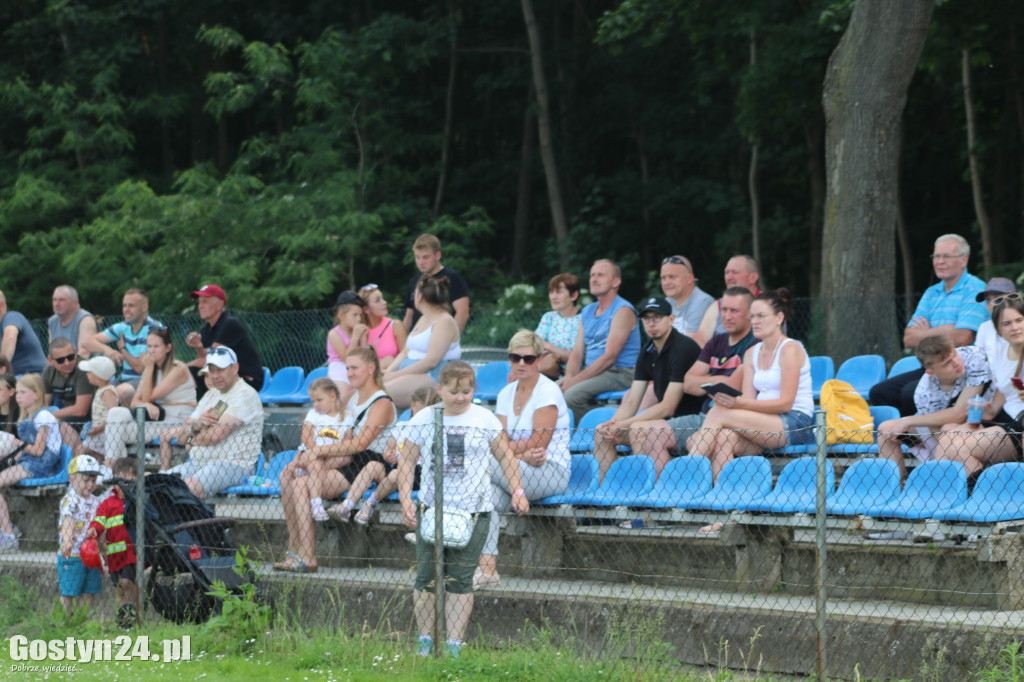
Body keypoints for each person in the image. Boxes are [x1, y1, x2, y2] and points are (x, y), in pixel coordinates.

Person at [398, 361, 529, 658]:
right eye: (454, 392)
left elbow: (505, 456)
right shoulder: (423, 419)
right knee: (426, 575)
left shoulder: (484, 419)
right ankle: (425, 639)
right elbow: (406, 460)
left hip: (475, 511)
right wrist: (406, 499)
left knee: (461, 577)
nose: (460, 397)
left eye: (467, 391)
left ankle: (454, 642)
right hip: (432, 509)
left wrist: (518, 490)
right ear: (440, 389)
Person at [687, 289, 813, 532]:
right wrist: (732, 401)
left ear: (779, 318)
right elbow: (745, 398)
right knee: (723, 437)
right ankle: (724, 512)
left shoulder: (790, 348)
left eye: (761, 316)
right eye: (753, 316)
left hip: (795, 422)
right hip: (763, 422)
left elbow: (786, 403)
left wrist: (735, 405)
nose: (755, 321)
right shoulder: (751, 353)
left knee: (719, 413)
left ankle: (687, 475)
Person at [275, 348, 395, 573]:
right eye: (347, 368)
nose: (349, 372)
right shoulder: (350, 397)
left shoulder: (382, 403)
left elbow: (360, 444)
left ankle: (307, 556)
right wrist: (306, 455)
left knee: (301, 484)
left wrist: (316, 453)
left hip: (366, 463)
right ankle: (295, 549)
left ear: (371, 369)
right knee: (287, 477)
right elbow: (324, 430)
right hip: (343, 458)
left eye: (354, 367)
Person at [475, 331, 570, 589]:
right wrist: (518, 453)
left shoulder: (548, 392)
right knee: (486, 496)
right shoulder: (506, 393)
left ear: (539, 360)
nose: (521, 364)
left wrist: (509, 451)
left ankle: (438, 519)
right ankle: (488, 569)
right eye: (515, 357)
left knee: (480, 463)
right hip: (517, 468)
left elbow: (538, 444)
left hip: (550, 470)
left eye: (528, 358)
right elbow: (499, 441)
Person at [630, 287, 758, 473]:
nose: (727, 316)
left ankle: (692, 493)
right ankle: (665, 496)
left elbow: (737, 387)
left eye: (734, 311)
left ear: (749, 314)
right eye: (724, 310)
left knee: (698, 442)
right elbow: (689, 383)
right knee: (654, 434)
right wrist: (721, 379)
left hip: (733, 419)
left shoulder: (755, 345)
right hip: (705, 415)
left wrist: (706, 381)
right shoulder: (716, 342)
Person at [869, 234, 988, 416]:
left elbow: (963, 338)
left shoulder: (976, 289)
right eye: (936, 256)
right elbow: (909, 338)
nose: (939, 262)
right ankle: (912, 441)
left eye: (946, 256)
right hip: (931, 367)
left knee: (910, 393)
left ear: (964, 260)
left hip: (960, 368)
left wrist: (926, 334)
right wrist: (948, 329)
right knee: (879, 393)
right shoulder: (932, 293)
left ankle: (928, 440)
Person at [590, 298, 704, 480]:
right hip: (661, 423)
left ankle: (648, 495)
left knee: (637, 429)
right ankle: (606, 493)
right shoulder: (647, 350)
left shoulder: (684, 348)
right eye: (646, 318)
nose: (651, 323)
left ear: (671, 319)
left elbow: (668, 406)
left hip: (688, 421)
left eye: (657, 317)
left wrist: (625, 424)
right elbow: (633, 401)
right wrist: (613, 423)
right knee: (601, 434)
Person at [930, 298, 1024, 480]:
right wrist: (992, 409)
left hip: (1020, 425)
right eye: (1006, 323)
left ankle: (984, 499)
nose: (1014, 327)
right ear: (998, 329)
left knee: (960, 448)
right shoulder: (999, 352)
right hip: (1008, 418)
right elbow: (1006, 390)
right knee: (949, 433)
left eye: (1019, 320)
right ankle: (939, 494)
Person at [875, 334, 990, 482]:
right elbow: (934, 430)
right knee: (886, 429)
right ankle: (893, 492)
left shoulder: (974, 357)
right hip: (945, 431)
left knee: (949, 429)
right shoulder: (924, 391)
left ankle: (937, 488)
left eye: (954, 354)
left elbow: (960, 413)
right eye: (946, 363)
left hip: (987, 420)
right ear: (931, 373)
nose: (956, 363)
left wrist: (908, 420)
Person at [158, 346, 263, 499]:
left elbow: (214, 436)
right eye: (212, 370)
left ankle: (187, 523)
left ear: (235, 368)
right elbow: (181, 439)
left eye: (220, 370)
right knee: (156, 483)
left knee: (186, 489)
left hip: (232, 465)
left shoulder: (244, 394)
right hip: (199, 463)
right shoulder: (211, 394)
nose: (215, 375)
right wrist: (197, 426)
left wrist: (191, 437)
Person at [338, 385, 439, 527]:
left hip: (417, 473)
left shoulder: (432, 429)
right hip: (396, 468)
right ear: (412, 406)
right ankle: (347, 506)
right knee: (373, 466)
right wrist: (388, 455)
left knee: (395, 474)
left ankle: (370, 503)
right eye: (418, 411)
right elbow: (388, 450)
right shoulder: (402, 426)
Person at [559, 259, 641, 423]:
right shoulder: (588, 310)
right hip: (593, 371)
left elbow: (609, 357)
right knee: (548, 392)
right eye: (592, 275)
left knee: (571, 396)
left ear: (616, 282)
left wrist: (574, 382)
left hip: (620, 372)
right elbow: (577, 353)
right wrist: (568, 377)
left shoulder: (623, 310)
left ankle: (605, 429)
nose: (594, 279)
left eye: (601, 275)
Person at [104, 328, 196, 462]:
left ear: (168, 348)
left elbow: (149, 397)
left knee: (117, 433)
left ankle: (114, 469)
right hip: (160, 417)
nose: (151, 351)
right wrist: (146, 405)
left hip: (177, 419)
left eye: (156, 346)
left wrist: (148, 368)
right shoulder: (152, 368)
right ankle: (114, 469)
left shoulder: (178, 369)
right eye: (149, 346)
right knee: (115, 414)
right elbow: (135, 402)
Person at [0, 373, 64, 551]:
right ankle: (7, 530)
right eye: (17, 392)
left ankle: (8, 535)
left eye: (23, 392)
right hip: (28, 461)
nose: (18, 396)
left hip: (41, 464)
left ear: (37, 394)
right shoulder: (26, 417)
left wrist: (17, 444)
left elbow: (38, 450)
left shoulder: (44, 416)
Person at [279, 377, 353, 522]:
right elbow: (306, 436)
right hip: (311, 457)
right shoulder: (314, 414)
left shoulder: (346, 417)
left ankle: (315, 501)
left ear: (333, 395)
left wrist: (323, 453)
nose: (315, 404)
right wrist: (315, 452)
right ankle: (316, 504)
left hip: (330, 459)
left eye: (319, 400)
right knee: (315, 463)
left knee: (320, 464)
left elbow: (347, 443)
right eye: (313, 401)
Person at [385, 275, 461, 410]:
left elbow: (431, 362)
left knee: (379, 395)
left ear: (419, 297)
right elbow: (405, 351)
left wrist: (394, 376)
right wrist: (388, 371)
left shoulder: (444, 321)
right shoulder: (423, 319)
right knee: (369, 388)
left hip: (433, 376)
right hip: (410, 371)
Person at [82, 289, 163, 406]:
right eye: (124, 305)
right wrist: (108, 350)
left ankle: (124, 423)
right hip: (125, 378)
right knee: (101, 393)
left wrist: (123, 350)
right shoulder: (123, 327)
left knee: (121, 392)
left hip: (147, 380)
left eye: (131, 306)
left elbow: (140, 368)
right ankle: (107, 424)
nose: (126, 309)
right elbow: (86, 342)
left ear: (144, 307)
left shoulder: (153, 329)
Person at [86, 457, 140, 629]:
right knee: (120, 589)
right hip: (114, 556)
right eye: (119, 481)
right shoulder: (108, 504)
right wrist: (94, 528)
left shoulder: (138, 502)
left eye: (128, 481)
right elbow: (99, 521)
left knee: (126, 583)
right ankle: (133, 620)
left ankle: (126, 621)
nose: (122, 485)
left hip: (132, 553)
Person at [185, 284, 264, 396]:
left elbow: (212, 360)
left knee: (191, 373)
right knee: (197, 374)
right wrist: (198, 347)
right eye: (199, 302)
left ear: (219, 305)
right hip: (224, 376)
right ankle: (203, 410)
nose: (200, 306)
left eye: (205, 301)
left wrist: (179, 368)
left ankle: (206, 411)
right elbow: (204, 360)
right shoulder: (206, 329)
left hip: (247, 379)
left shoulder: (230, 324)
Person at [57, 455, 103, 616]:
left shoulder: (96, 501)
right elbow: (68, 522)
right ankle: (66, 622)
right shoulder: (69, 500)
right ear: (72, 479)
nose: (91, 484)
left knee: (89, 591)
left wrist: (103, 549)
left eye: (93, 480)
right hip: (73, 554)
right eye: (86, 480)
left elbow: (98, 525)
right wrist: (68, 542)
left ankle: (85, 623)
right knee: (69, 591)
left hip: (91, 555)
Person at [403, 233, 470, 333]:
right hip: (417, 341)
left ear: (438, 255)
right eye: (417, 257)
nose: (421, 262)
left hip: (441, 338)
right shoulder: (414, 281)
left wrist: (450, 340)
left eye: (425, 257)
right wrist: (403, 344)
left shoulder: (452, 277)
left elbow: (463, 313)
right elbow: (409, 316)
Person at [694, 256, 762, 346]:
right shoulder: (717, 305)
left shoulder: (768, 304)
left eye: (735, 272)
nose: (729, 277)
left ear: (753, 278)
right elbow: (700, 341)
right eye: (727, 272)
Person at [43, 337, 95, 436]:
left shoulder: (83, 369)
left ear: (75, 353)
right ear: (50, 360)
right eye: (60, 360)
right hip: (69, 413)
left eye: (70, 357)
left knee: (64, 424)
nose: (67, 363)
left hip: (90, 417)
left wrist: (48, 415)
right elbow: (44, 403)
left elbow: (81, 410)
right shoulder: (48, 372)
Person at [534, 273, 582, 380]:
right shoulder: (548, 317)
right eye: (551, 292)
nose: (553, 296)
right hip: (545, 372)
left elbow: (578, 357)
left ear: (574, 295)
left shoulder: (583, 319)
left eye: (559, 292)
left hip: (573, 375)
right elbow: (534, 346)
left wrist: (548, 346)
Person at [326, 290, 368, 401]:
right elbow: (346, 358)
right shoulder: (334, 334)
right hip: (339, 367)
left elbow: (364, 356)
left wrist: (363, 338)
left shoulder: (357, 332)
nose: (359, 319)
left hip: (356, 367)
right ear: (341, 315)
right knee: (344, 396)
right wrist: (355, 337)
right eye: (354, 315)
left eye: (360, 315)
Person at [659, 255, 715, 339]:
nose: (667, 282)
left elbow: (692, 346)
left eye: (672, 277)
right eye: (663, 278)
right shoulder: (667, 302)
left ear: (690, 278)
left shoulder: (702, 302)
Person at [76, 356, 120, 458]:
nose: (87, 374)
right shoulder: (101, 389)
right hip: (99, 431)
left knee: (80, 450)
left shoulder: (107, 392)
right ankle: (96, 473)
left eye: (89, 372)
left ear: (98, 378)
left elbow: (113, 415)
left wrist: (98, 429)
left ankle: (77, 472)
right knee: (97, 457)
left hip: (103, 432)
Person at [356, 284, 407, 369]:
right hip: (369, 375)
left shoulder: (395, 325)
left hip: (392, 374)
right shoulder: (360, 331)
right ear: (366, 309)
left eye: (382, 298)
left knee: (389, 360)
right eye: (377, 300)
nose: (384, 302)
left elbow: (406, 357)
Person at [0, 290, 46, 375]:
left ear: (1, 305)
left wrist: (2, 368)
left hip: (33, 377)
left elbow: (10, 338)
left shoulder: (11, 317)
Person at [974, 278, 1015, 366]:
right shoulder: (984, 327)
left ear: (1012, 299)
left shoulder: (1019, 325)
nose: (991, 303)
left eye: (997, 298)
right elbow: (979, 357)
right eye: (988, 299)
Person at [48, 285, 98, 357]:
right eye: (54, 300)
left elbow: (84, 355)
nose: (56, 304)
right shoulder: (52, 321)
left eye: (62, 300)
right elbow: (52, 354)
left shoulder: (85, 320)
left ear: (75, 302)